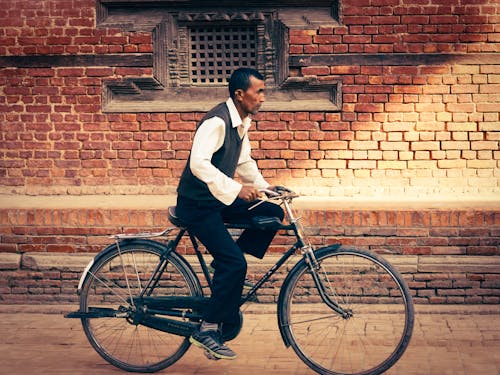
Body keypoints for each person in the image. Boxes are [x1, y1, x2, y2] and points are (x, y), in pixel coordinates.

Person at [175, 68, 284, 360]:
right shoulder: (217, 121)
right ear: (240, 94)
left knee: (271, 211)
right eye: (258, 92)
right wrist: (236, 189)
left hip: (216, 198)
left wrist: (266, 187)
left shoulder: (241, 121)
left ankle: (219, 267)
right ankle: (208, 329)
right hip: (197, 204)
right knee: (235, 265)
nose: (263, 98)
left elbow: (245, 161)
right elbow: (198, 164)